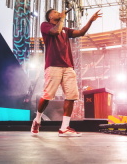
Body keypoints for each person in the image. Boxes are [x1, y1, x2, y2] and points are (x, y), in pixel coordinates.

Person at [31, 8, 102, 137]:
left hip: (68, 67)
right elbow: (55, 31)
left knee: (71, 95)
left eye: (59, 12)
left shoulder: (65, 29)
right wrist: (62, 18)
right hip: (53, 66)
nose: (58, 13)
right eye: (55, 12)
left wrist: (90, 21)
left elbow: (81, 32)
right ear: (50, 17)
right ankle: (37, 119)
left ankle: (64, 128)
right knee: (47, 96)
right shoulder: (46, 25)